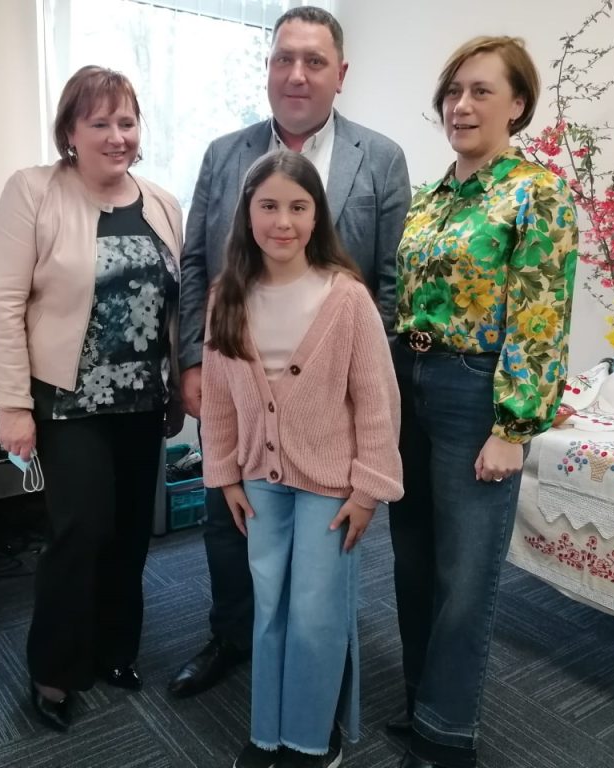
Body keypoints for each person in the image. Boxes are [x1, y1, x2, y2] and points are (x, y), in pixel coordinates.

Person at [170, 4, 411, 701]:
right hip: (239, 383)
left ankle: (317, 658)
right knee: (231, 518)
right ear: (268, 68)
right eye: (284, 59)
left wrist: (353, 375)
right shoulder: (224, 154)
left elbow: (390, 280)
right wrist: (194, 360)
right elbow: (197, 263)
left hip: (327, 399)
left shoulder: (381, 158)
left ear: (341, 73)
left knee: (321, 543)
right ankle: (232, 635)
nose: (296, 74)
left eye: (313, 61)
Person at [0, 65, 184, 733]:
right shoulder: (34, 192)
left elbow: (177, 307)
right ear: (70, 131)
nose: (117, 136)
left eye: (127, 122)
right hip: (68, 401)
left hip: (142, 399)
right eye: (100, 123)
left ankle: (116, 648)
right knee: (79, 532)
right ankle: (55, 670)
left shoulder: (161, 202)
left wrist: (178, 387)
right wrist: (12, 404)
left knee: (130, 532)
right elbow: (1, 304)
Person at [386, 37, 579, 768]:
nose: (461, 106)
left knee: (464, 574)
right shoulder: (430, 198)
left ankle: (447, 734)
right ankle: (419, 702)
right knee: (411, 559)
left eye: (481, 92)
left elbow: (541, 314)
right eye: (453, 91)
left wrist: (513, 426)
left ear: (518, 105)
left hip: (475, 393)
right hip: (409, 381)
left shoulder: (536, 192)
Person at [202, 150, 403, 768]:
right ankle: (267, 732)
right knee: (268, 608)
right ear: (248, 213)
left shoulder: (346, 298)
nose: (282, 221)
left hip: (329, 485)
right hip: (259, 481)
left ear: (317, 216)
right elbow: (218, 399)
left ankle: (312, 739)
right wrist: (225, 475)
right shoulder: (227, 296)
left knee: (316, 613)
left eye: (297, 206)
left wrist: (368, 489)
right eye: (268, 206)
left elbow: (376, 399)